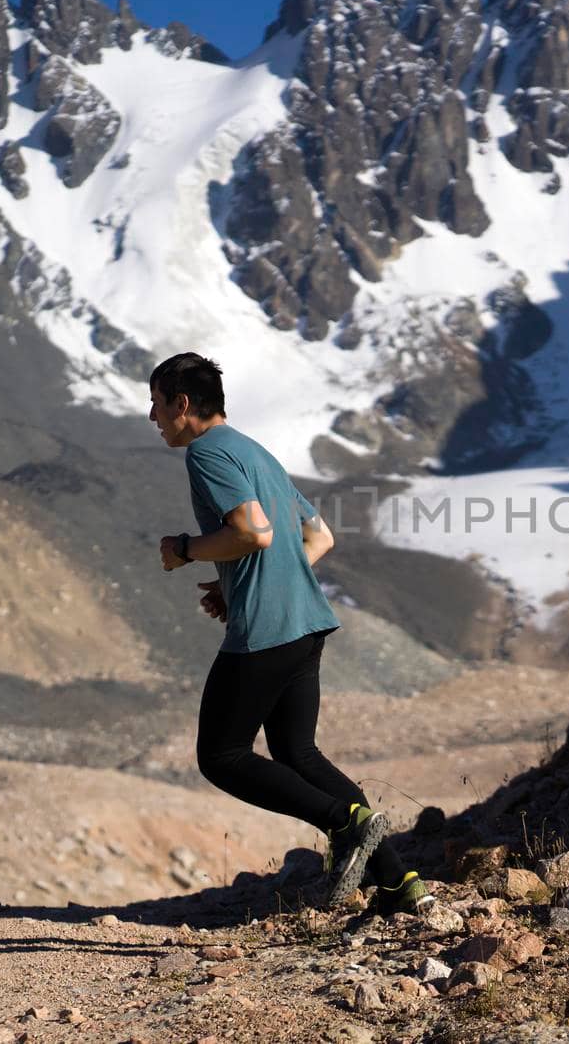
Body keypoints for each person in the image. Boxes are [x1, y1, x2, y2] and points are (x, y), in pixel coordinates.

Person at [148, 352, 432, 914]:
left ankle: (344, 822)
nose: (152, 418)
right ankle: (402, 885)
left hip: (267, 633)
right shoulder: (256, 451)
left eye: (156, 405)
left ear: (183, 404)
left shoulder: (207, 453)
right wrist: (234, 587)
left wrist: (184, 550)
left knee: (221, 755)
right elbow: (318, 536)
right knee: (297, 751)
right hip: (307, 621)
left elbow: (252, 533)